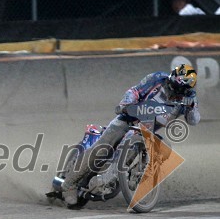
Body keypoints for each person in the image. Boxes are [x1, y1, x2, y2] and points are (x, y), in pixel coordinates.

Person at [61, 64, 200, 206]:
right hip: (128, 118)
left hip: (147, 129)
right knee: (102, 147)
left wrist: (191, 107)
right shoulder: (157, 78)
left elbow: (194, 120)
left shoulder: (189, 98)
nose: (173, 90)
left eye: (179, 89)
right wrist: (126, 104)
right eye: (172, 84)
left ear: (186, 89)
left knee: (166, 148)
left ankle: (138, 175)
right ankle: (68, 185)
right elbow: (135, 91)